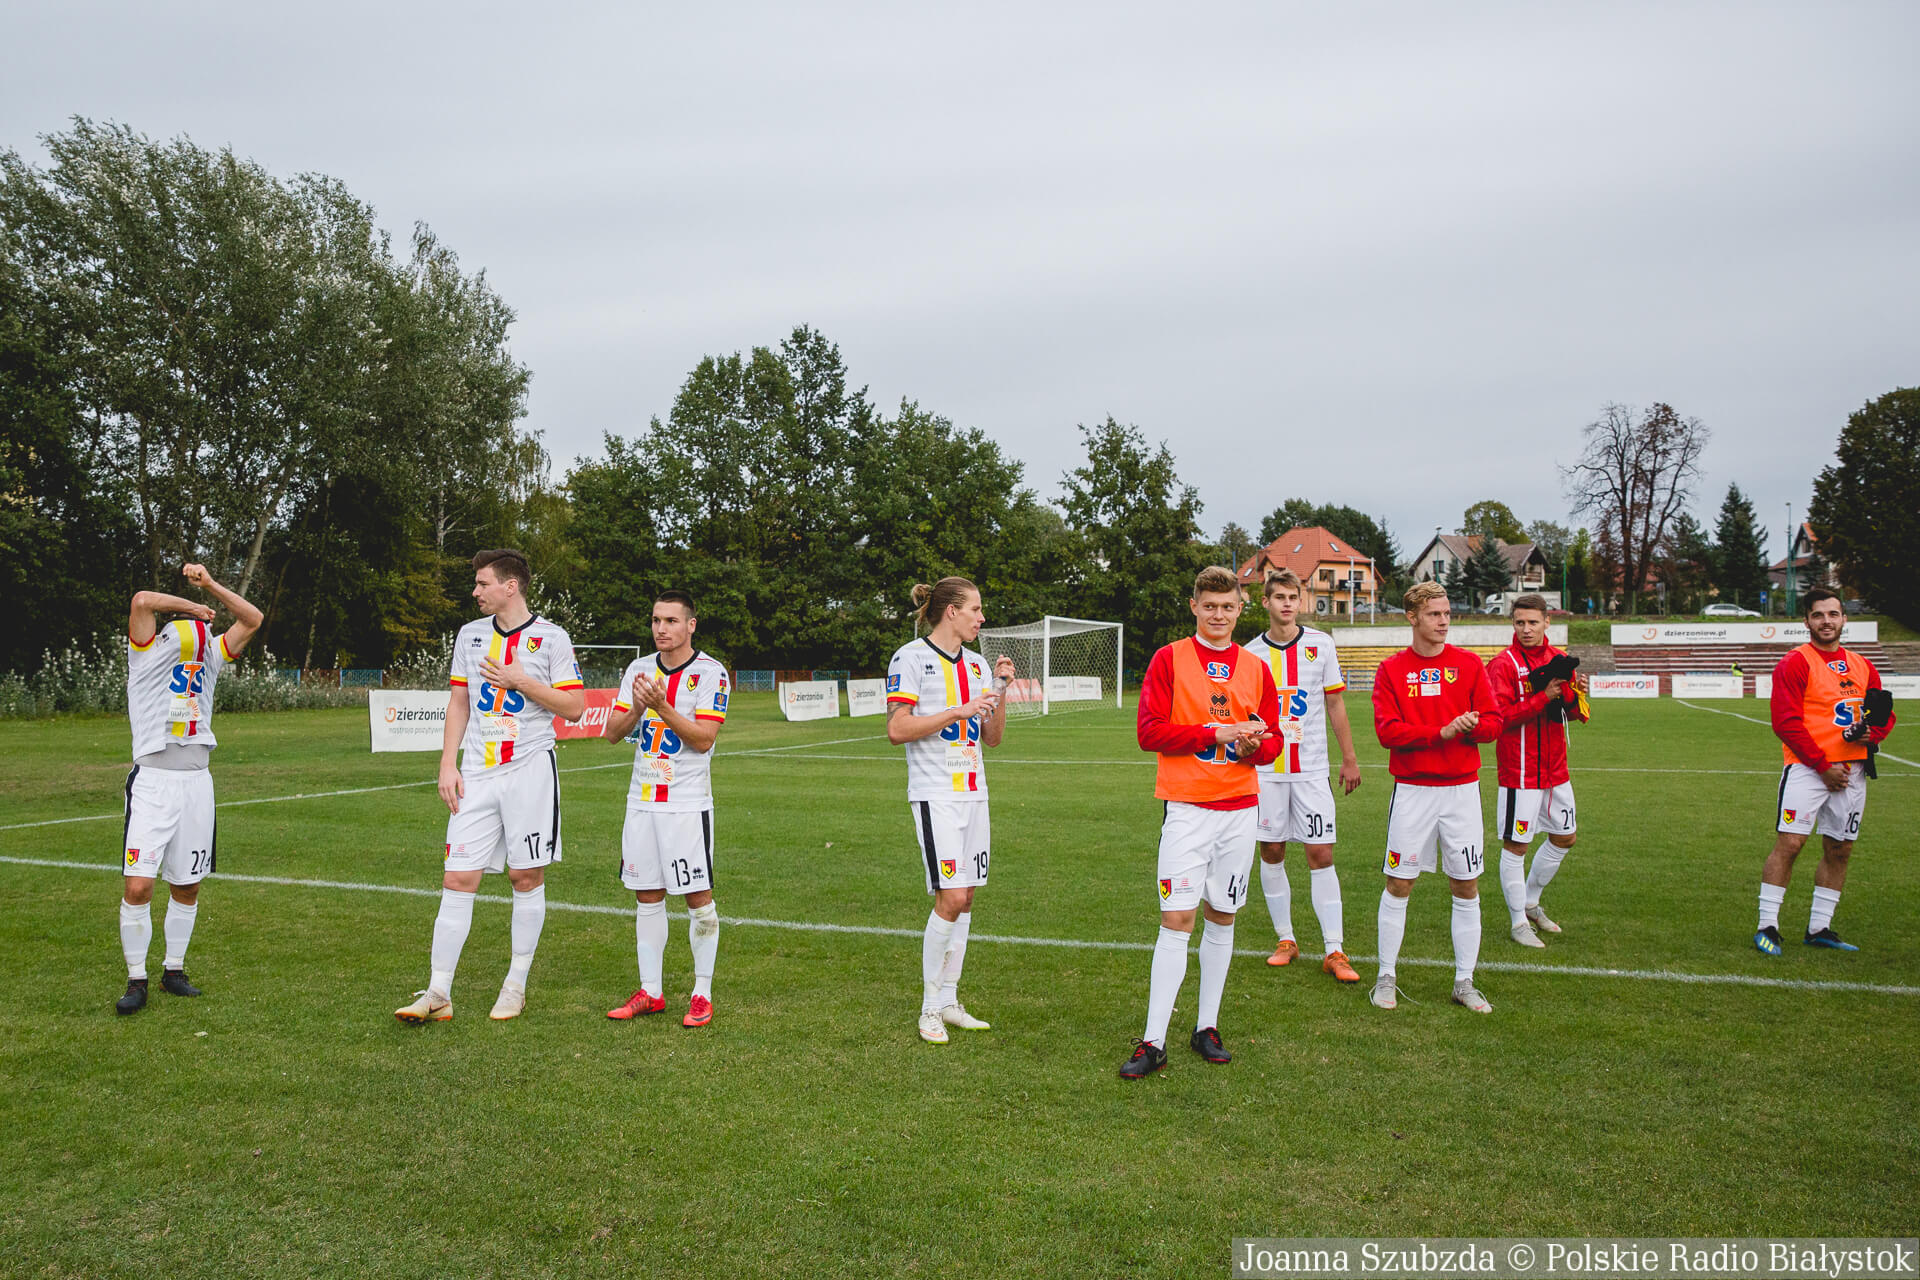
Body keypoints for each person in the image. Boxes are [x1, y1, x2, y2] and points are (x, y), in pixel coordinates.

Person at [395, 549, 584, 1024]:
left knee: (525, 877)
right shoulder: (470, 635)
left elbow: (575, 707)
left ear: (510, 586)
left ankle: (515, 986)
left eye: (483, 583)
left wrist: (522, 681)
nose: (475, 591)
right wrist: (448, 763)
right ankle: (438, 992)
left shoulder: (551, 638)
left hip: (530, 772)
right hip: (476, 773)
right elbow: (459, 701)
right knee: (458, 877)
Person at [1121, 566, 1281, 1079]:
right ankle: (1153, 1041)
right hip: (1187, 809)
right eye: (1209, 606)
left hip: (1240, 810)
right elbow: (1149, 732)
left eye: (1227, 606)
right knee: (1176, 920)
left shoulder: (1256, 667)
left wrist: (1254, 747)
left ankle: (1206, 1027)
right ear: (1194, 606)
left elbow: (1274, 741)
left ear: (1240, 609)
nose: (1218, 615)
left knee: (1223, 916)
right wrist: (1215, 733)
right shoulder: (1169, 658)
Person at [115, 564, 262, 1014]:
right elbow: (142, 601)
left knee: (188, 885)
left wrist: (212, 586)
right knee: (139, 886)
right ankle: (136, 979)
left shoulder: (210, 657)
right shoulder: (145, 655)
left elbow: (252, 619)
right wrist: (191, 604)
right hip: (153, 784)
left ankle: (173, 971)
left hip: (197, 783)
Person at [885, 577, 1016, 1045]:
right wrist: (958, 711)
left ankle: (949, 1001)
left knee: (967, 898)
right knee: (952, 897)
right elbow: (897, 729)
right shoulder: (909, 658)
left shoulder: (978, 665)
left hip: (974, 794)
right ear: (951, 611)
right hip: (936, 793)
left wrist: (1000, 689)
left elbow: (992, 738)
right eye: (976, 609)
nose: (982, 617)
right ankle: (928, 1008)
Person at [1369, 582, 1502, 1014]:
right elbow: (1387, 732)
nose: (1444, 621)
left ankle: (1464, 981)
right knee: (1399, 882)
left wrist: (1473, 727)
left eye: (1446, 613)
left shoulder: (1469, 664)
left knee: (1466, 884)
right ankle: (1385, 976)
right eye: (1434, 614)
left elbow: (1494, 722)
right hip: (1413, 791)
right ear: (1412, 617)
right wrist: (1439, 733)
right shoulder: (1391, 670)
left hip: (1461, 792)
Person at [603, 591, 731, 1028]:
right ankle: (651, 992)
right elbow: (612, 733)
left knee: (698, 899)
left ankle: (702, 993)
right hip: (642, 801)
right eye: (656, 620)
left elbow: (703, 739)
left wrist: (661, 706)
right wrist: (640, 705)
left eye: (671, 621)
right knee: (647, 896)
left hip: (686, 805)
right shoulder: (638, 670)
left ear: (691, 625)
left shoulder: (711, 673)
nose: (661, 628)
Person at [1754, 587, 1896, 954]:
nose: (1826, 621)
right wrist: (1822, 765)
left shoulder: (1863, 665)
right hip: (1807, 769)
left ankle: (1820, 928)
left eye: (1833, 614)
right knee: (1791, 843)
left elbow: (1884, 713)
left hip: (1853, 772)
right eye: (1818, 615)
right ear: (1806, 621)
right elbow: (1785, 723)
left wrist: (1873, 733)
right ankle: (1767, 925)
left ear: (1844, 619)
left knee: (1840, 849)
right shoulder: (1795, 662)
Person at [1242, 569, 1363, 983]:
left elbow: (1335, 705)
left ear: (1301, 601)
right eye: (1279, 597)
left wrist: (1349, 758)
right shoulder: (1250, 654)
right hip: (1267, 772)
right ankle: (1286, 939)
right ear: (1266, 602)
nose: (1287, 604)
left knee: (1321, 854)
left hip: (1311, 770)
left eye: (1293, 597)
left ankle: (1334, 949)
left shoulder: (1321, 644)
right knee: (1272, 851)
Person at [1487, 594, 1588, 947]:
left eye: (1532, 622)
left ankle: (1530, 903)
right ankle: (1518, 922)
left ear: (1547, 622)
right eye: (1520, 622)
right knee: (1516, 846)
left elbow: (1570, 715)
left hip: (1556, 769)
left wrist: (1574, 695)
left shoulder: (1560, 659)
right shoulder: (1503, 665)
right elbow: (1498, 718)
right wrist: (1542, 697)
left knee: (1565, 837)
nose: (1526, 629)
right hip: (1520, 771)